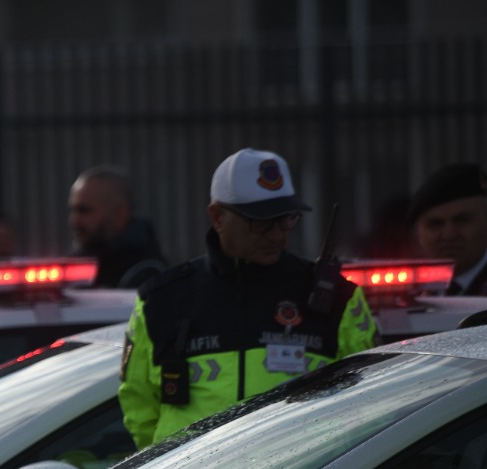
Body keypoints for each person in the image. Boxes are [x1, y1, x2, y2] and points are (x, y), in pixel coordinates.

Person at [119, 147, 379, 450]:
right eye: (260, 221)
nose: (276, 235)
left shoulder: (337, 297)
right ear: (217, 217)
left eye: (285, 219)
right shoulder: (161, 298)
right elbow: (139, 407)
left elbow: (369, 401)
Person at [68, 165, 167, 289]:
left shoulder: (146, 275)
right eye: (73, 211)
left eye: (84, 211)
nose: (74, 222)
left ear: (119, 214)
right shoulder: (81, 268)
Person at [410, 163, 487, 297]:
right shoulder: (409, 293)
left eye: (462, 220)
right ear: (418, 234)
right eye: (435, 224)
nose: (448, 235)